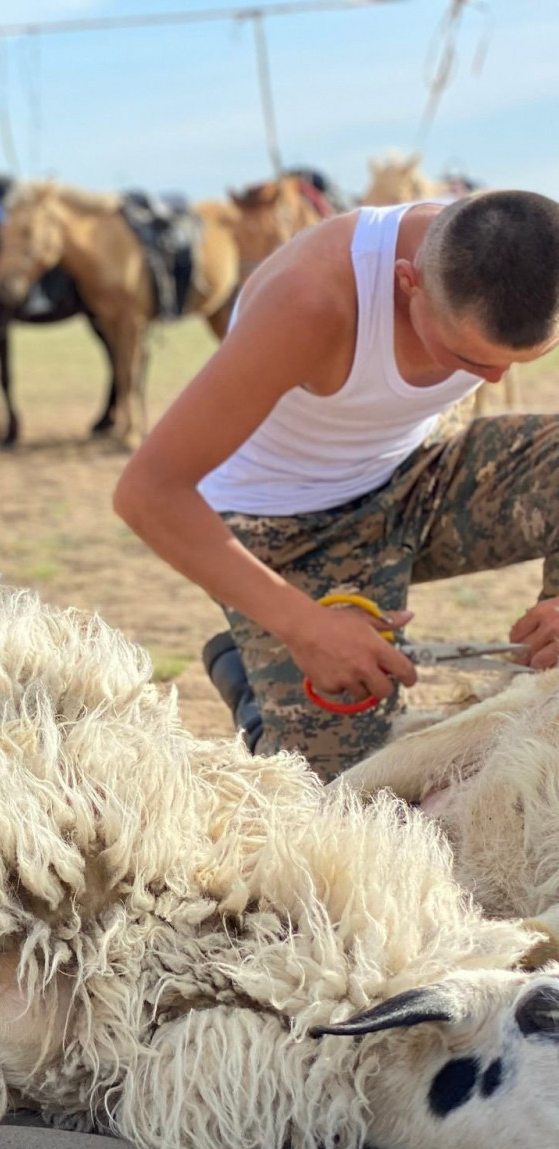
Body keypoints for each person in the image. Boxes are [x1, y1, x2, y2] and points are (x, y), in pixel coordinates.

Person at [114, 190, 559, 780]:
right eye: (467, 358)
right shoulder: (311, 302)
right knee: (351, 793)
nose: (494, 378)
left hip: (417, 474)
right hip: (286, 528)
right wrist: (305, 626)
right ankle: (255, 677)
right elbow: (147, 491)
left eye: (521, 361)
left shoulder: (527, 249)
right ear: (408, 282)